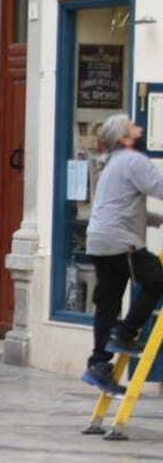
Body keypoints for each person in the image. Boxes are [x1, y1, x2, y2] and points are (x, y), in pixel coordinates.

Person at [81, 112, 163, 395]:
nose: (139, 130)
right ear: (125, 139)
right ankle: (125, 333)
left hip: (99, 241)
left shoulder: (113, 164)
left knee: (108, 302)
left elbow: (121, 204)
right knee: (156, 281)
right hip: (121, 241)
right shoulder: (133, 160)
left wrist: (155, 220)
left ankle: (98, 364)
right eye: (133, 128)